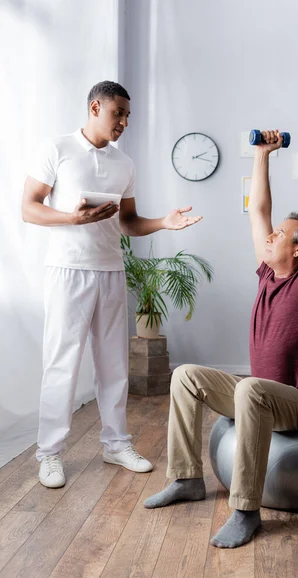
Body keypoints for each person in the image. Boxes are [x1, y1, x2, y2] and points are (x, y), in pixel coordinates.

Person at [144, 121, 298, 549]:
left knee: (251, 389)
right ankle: (185, 479)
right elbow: (257, 210)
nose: (269, 237)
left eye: (279, 235)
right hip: (257, 394)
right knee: (185, 376)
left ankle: (246, 510)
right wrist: (262, 155)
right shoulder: (267, 273)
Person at [21, 81, 202, 489]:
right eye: (118, 113)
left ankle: (116, 443)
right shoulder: (58, 149)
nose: (123, 122)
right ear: (95, 106)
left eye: (128, 117)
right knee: (62, 362)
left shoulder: (125, 164)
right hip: (67, 271)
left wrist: (164, 222)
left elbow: (128, 222)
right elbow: (28, 208)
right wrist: (71, 219)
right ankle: (49, 454)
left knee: (114, 365)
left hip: (111, 271)